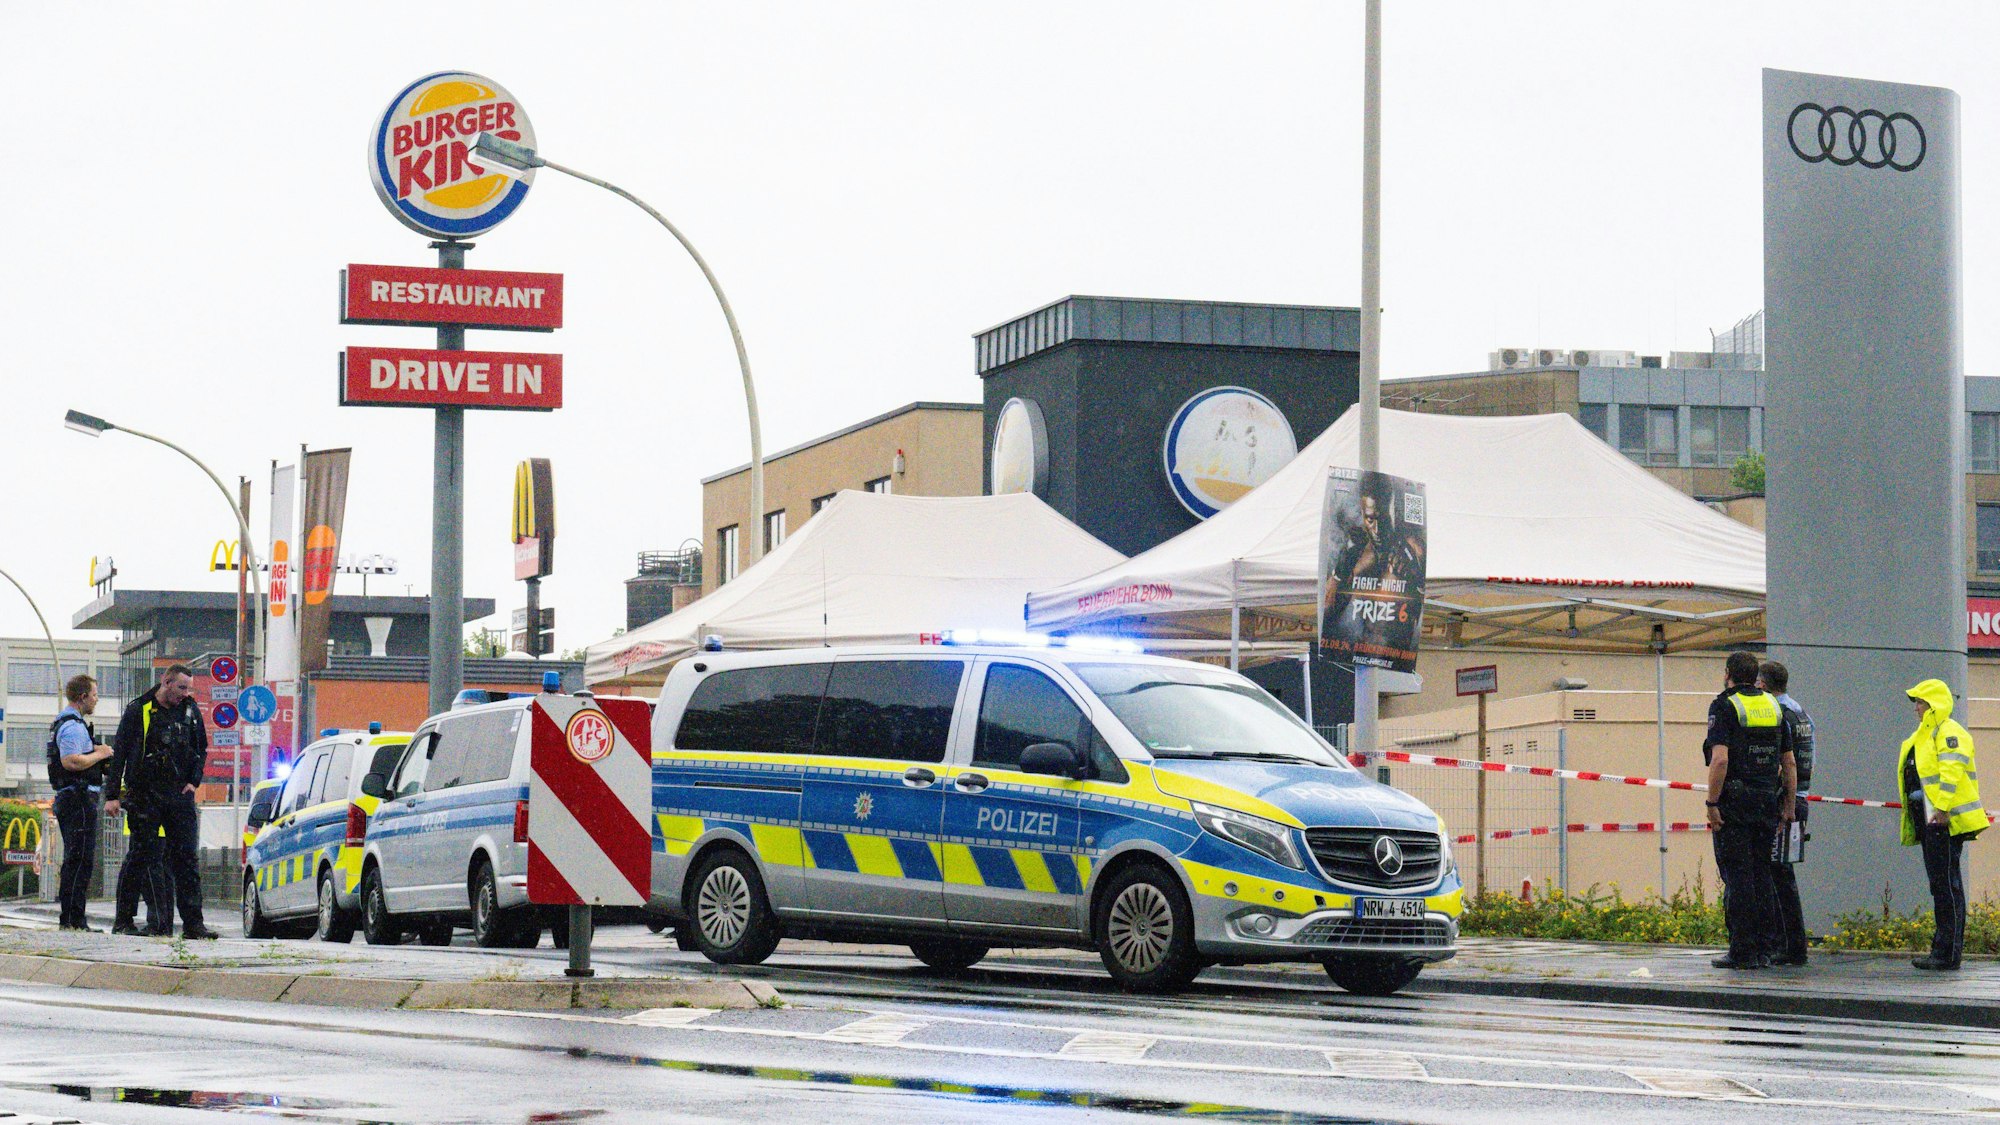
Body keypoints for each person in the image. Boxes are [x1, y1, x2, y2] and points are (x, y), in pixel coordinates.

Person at [104, 665, 219, 940]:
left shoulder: (190, 711)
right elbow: (119, 753)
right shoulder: (139, 710)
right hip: (145, 795)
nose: (186, 693)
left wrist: (194, 781)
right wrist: (112, 796)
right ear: (166, 682)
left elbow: (201, 747)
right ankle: (128, 920)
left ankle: (194, 925)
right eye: (182, 687)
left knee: (186, 858)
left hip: (179, 795)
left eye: (189, 688)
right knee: (143, 855)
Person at [1703, 650, 1796, 969]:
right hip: (1767, 801)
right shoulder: (1773, 705)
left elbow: (1720, 759)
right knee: (1761, 873)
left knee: (1739, 876)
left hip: (1736, 803)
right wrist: (1788, 804)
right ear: (1754, 675)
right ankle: (1765, 948)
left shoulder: (1724, 705)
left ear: (1728, 672)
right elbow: (1789, 761)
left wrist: (1712, 803)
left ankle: (1742, 950)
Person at [1899, 679, 1989, 971]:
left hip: (1944, 821)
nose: (1916, 708)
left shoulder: (1948, 732)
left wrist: (1942, 807)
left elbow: (1950, 772)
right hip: (1932, 820)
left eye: (1921, 702)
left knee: (1946, 886)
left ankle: (1947, 954)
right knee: (1941, 885)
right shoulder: (1925, 734)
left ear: (1934, 704)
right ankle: (1943, 949)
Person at [46, 674, 114, 932]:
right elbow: (72, 761)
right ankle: (74, 919)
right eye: (95, 694)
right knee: (80, 859)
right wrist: (101, 753)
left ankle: (72, 918)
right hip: (78, 796)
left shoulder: (65, 723)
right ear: (83, 696)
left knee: (77, 858)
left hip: (73, 796)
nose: (97, 699)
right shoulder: (73, 726)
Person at [1759, 660, 1814, 967]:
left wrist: (1786, 806)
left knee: (1779, 876)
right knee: (1783, 874)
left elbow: (1787, 763)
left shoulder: (1779, 714)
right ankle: (1793, 946)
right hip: (1798, 798)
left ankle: (1791, 947)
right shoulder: (1800, 711)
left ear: (1762, 685)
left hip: (1785, 803)